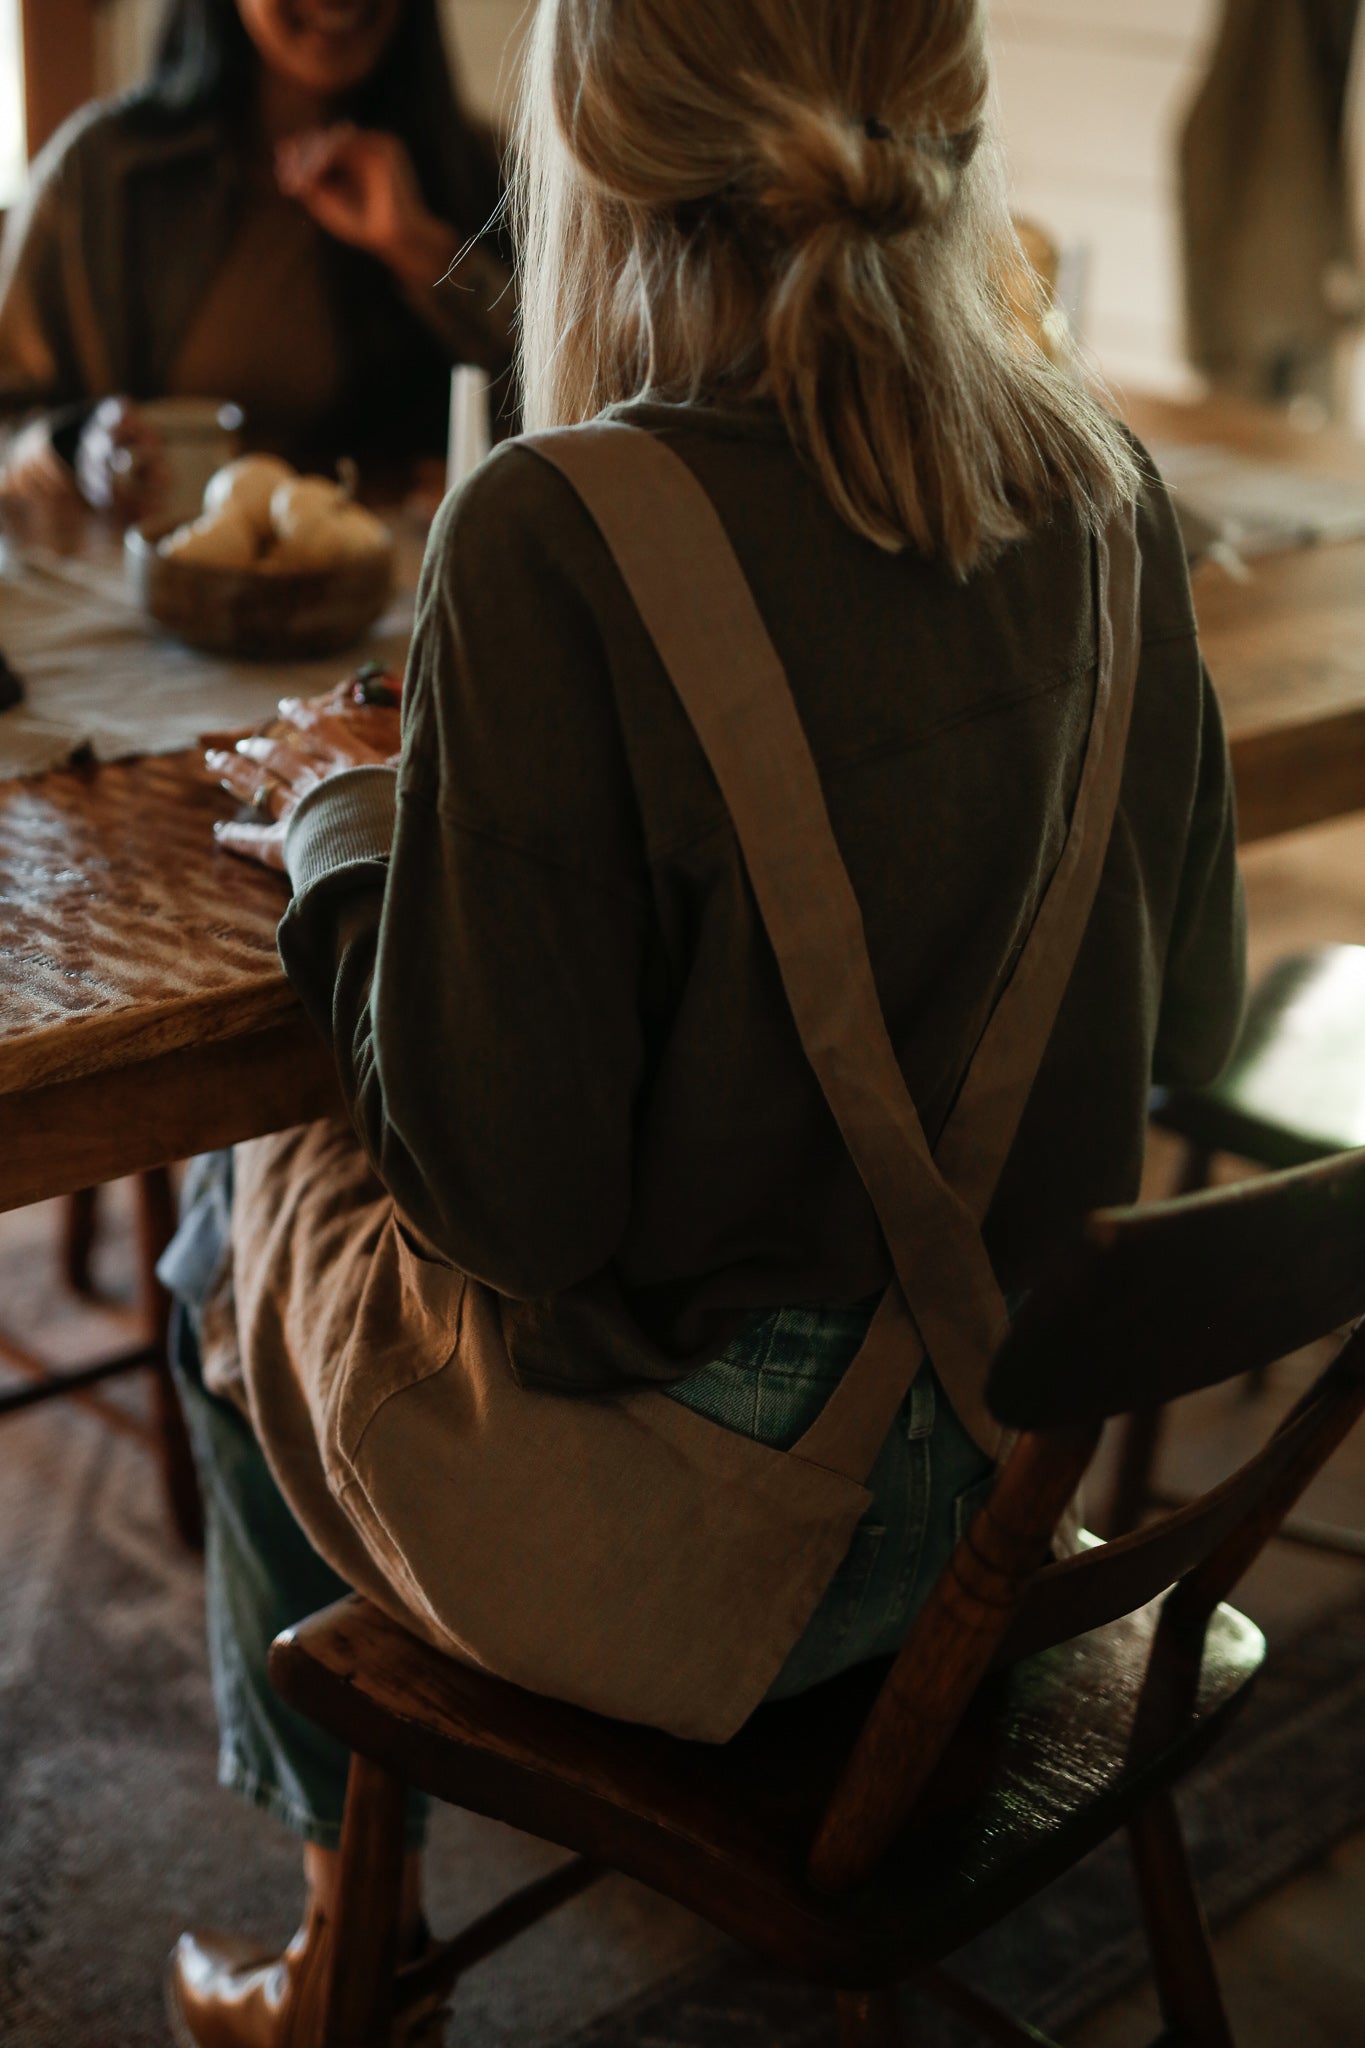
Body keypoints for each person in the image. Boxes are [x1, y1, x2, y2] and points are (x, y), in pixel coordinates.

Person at [162, 0, 1247, 2039]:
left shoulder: (559, 525)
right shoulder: (1103, 489)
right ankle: (339, 1913)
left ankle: (341, 1937)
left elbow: (511, 1210)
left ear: (593, 136)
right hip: (1009, 1487)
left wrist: (338, 822)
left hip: (711, 1562)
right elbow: (1181, 1009)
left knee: (245, 1177)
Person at [0, 0, 513, 515]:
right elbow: (10, 417)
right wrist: (78, 444)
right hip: (148, 584)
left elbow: (571, 406)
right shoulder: (101, 175)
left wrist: (425, 252)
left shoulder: (488, 172)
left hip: (400, 584)